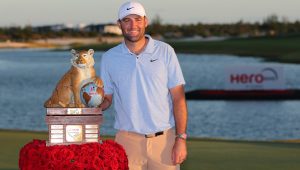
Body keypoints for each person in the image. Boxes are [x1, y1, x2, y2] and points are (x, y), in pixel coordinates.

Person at [100, 1, 188, 170]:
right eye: (127, 20)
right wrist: (91, 103)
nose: (133, 25)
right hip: (127, 143)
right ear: (119, 24)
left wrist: (181, 138)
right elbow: (106, 99)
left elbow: (178, 98)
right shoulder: (110, 57)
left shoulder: (165, 51)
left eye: (137, 19)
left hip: (164, 142)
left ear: (145, 21)